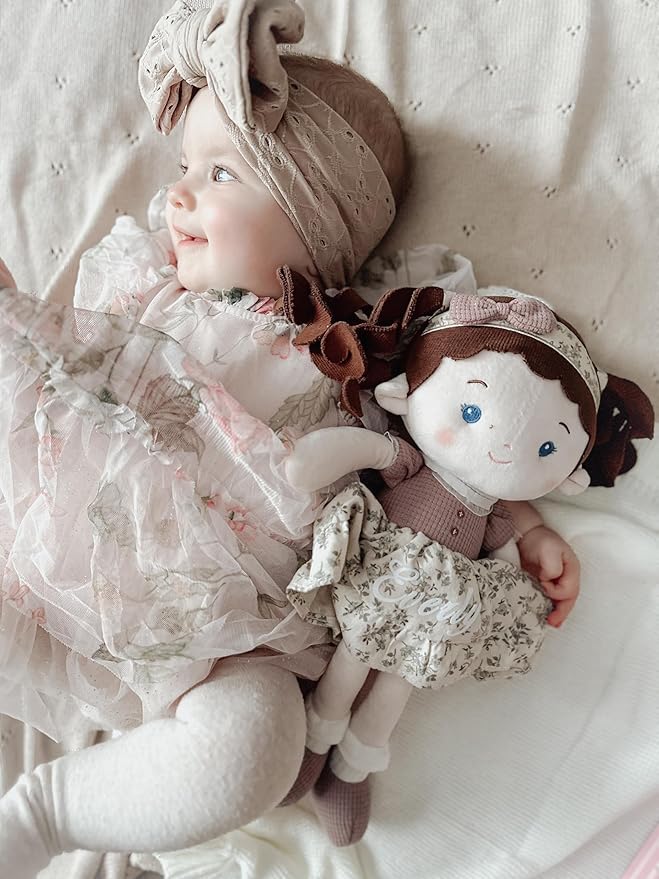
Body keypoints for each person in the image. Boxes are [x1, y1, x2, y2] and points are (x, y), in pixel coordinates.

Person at [0, 1, 581, 873]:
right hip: (45, 547)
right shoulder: (145, 285)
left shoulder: (360, 359)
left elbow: (461, 453)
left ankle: (46, 812)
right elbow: (58, 366)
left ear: (318, 215)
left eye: (220, 173)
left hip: (231, 628)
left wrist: (526, 527)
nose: (178, 193)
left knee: (261, 745)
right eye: (184, 167)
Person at [280, 290, 654, 845]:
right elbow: (371, 452)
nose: (501, 449)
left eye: (546, 449)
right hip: (377, 594)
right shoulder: (411, 464)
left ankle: (352, 767)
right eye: (472, 412)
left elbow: (504, 568)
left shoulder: (497, 514)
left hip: (436, 626)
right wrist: (309, 461)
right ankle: (316, 739)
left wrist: (532, 545)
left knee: (398, 689)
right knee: (350, 663)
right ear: (406, 393)